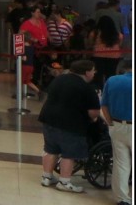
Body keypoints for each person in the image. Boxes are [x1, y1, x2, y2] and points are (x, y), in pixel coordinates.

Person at [38, 59, 101, 193]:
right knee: (69, 153)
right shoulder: (86, 88)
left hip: (48, 119)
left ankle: (46, 177)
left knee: (50, 149)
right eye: (93, 70)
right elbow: (94, 112)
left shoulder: (59, 79)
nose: (94, 73)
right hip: (70, 125)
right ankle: (64, 182)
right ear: (86, 72)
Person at [100, 57, 132, 205]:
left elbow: (104, 104)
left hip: (118, 125)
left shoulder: (112, 80)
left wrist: (110, 123)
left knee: (121, 163)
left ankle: (123, 199)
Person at [88, 15, 123, 90]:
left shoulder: (94, 33)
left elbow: (90, 44)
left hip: (98, 56)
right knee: (111, 75)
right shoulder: (118, 35)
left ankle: (99, 91)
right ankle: (110, 90)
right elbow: (120, 45)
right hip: (114, 57)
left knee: (98, 75)